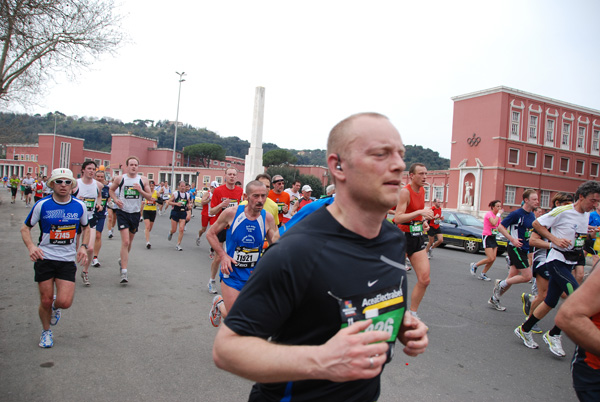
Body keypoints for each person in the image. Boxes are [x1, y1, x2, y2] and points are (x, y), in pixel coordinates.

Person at [213, 112, 428, 401]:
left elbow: (358, 300)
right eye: (381, 154)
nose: (399, 165)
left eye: (401, 155)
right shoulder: (298, 250)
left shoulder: (391, 239)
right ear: (338, 166)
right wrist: (322, 360)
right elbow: (227, 350)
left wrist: (400, 323)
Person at [514, 181, 600, 356]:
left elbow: (578, 237)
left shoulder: (585, 215)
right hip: (556, 261)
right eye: (593, 200)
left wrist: (590, 234)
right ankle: (553, 334)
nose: (595, 205)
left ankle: (524, 329)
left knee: (550, 301)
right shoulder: (563, 210)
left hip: (570, 262)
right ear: (581, 197)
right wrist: (554, 239)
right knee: (576, 298)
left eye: (597, 201)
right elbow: (537, 224)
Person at [20, 168, 89, 348]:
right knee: (45, 299)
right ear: (52, 184)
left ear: (73, 185)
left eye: (67, 182)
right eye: (59, 181)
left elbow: (86, 228)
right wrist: (31, 247)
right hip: (45, 257)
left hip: (66, 259)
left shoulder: (79, 206)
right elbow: (25, 228)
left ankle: (54, 308)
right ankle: (46, 332)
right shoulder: (42, 205)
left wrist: (82, 246)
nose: (63, 185)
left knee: (64, 302)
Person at [207, 180, 279, 327]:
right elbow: (210, 233)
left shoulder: (267, 218)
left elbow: (277, 246)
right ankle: (219, 304)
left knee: (253, 317)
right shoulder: (232, 213)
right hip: (232, 273)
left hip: (254, 275)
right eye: (256, 196)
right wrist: (223, 255)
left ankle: (222, 307)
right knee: (235, 319)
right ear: (246, 196)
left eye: (263, 196)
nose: (260, 200)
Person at [521, 192, 574, 334]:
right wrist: (554, 244)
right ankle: (529, 321)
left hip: (562, 261)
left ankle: (530, 300)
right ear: (558, 204)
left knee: (562, 294)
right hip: (544, 259)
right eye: (566, 203)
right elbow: (532, 240)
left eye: (571, 203)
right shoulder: (549, 219)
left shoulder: (571, 220)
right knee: (544, 295)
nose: (570, 206)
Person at [394, 163, 434, 320]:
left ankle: (413, 314)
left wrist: (422, 220)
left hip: (417, 236)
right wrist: (419, 212)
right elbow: (398, 217)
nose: (425, 176)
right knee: (393, 280)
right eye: (421, 173)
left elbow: (416, 213)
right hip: (403, 238)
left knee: (424, 279)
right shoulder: (405, 192)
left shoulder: (422, 190)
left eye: (426, 173)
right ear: (411, 175)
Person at [555, 264, 600, 401]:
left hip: (566, 262)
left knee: (551, 297)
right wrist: (553, 242)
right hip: (595, 371)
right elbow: (569, 316)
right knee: (548, 297)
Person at [489, 189, 539, 311]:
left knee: (512, 276)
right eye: (534, 199)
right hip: (516, 248)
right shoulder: (516, 214)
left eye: (537, 199)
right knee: (527, 276)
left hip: (524, 249)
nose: (537, 202)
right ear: (526, 200)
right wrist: (512, 239)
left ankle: (494, 299)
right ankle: (500, 284)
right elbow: (500, 227)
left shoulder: (532, 215)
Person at [109, 156, 152, 284]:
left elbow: (150, 196)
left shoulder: (143, 180)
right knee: (126, 241)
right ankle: (124, 272)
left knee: (130, 241)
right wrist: (116, 200)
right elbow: (111, 190)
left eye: (135, 165)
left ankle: (122, 259)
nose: (133, 167)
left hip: (135, 213)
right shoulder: (120, 178)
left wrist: (140, 190)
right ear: (127, 166)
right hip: (123, 212)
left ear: (138, 167)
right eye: (131, 164)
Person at [207, 169, 243, 294]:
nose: (232, 176)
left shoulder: (240, 191)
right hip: (220, 226)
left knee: (235, 256)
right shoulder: (218, 191)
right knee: (218, 257)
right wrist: (221, 205)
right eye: (230, 174)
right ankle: (212, 280)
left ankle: (230, 282)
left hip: (234, 227)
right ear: (225, 176)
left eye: (234, 174)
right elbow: (211, 211)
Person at [72, 161, 104, 286]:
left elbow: (100, 196)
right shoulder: (75, 184)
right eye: (89, 168)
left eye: (93, 169)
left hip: (90, 219)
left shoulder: (98, 185)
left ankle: (85, 271)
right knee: (74, 248)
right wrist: (75, 200)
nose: (92, 171)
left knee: (90, 248)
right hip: (76, 220)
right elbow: (67, 198)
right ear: (83, 170)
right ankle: (71, 270)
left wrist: (99, 204)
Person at [470, 200, 504, 281]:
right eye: (497, 206)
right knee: (490, 258)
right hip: (487, 236)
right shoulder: (489, 214)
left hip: (493, 237)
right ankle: (475, 265)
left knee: (493, 258)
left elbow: (499, 226)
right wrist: (499, 214)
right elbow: (493, 223)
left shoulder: (497, 216)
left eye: (500, 206)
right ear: (493, 207)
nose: (499, 208)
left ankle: (483, 274)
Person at [92, 169, 110, 267]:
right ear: (95, 177)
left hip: (101, 214)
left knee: (98, 235)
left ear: (104, 178)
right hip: (90, 214)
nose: (99, 178)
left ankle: (95, 257)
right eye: (97, 176)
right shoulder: (91, 187)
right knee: (87, 236)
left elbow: (109, 200)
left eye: (101, 177)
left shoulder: (107, 188)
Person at [167, 180, 192, 251]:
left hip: (183, 212)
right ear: (179, 187)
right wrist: (176, 204)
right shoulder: (175, 194)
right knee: (174, 230)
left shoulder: (187, 195)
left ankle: (178, 244)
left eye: (184, 186)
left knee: (181, 229)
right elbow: (169, 202)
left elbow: (188, 203)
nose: (183, 188)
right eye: (181, 186)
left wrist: (189, 206)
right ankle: (171, 232)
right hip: (175, 212)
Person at [196, 181, 218, 246]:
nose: (216, 190)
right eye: (215, 188)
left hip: (213, 214)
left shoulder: (217, 194)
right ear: (211, 187)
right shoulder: (207, 193)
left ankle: (212, 247)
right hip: (205, 214)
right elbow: (202, 202)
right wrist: (209, 200)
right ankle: (199, 235)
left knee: (213, 230)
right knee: (203, 229)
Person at [142, 180, 158, 249]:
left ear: (154, 186)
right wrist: (142, 202)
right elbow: (141, 199)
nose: (151, 187)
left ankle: (146, 232)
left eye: (152, 186)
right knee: (147, 226)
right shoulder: (145, 192)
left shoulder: (156, 193)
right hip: (146, 210)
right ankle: (148, 242)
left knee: (150, 228)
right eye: (150, 186)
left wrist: (156, 200)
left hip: (153, 211)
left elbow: (161, 201)